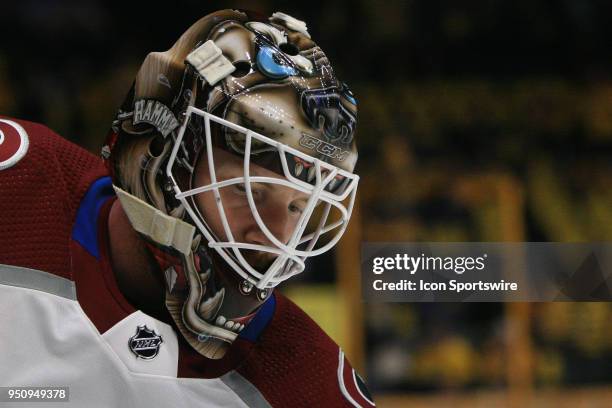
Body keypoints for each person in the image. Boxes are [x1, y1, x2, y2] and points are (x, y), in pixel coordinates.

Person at [0, 9, 374, 407]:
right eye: (253, 192)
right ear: (159, 150)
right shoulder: (15, 186)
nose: (274, 239)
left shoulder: (308, 390)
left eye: (299, 207)